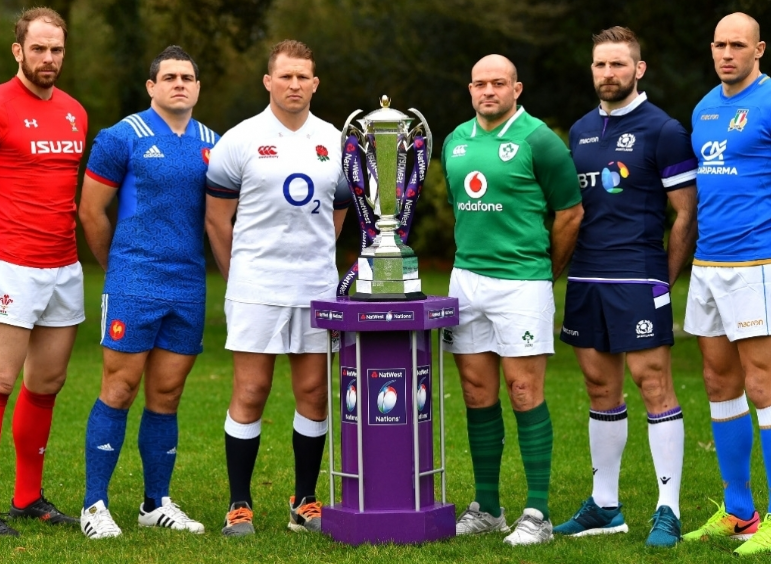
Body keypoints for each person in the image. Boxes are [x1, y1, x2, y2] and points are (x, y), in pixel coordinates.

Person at [551, 27, 698, 548]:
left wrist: (663, 279)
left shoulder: (664, 130)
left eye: (618, 64)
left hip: (638, 274)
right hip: (586, 276)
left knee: (652, 383)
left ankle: (668, 509)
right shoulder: (579, 130)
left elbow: (685, 215)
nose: (608, 73)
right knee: (599, 387)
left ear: (639, 69)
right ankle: (605, 506)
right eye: (600, 64)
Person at [205, 39, 349, 536]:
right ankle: (238, 504)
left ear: (315, 83)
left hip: (316, 288)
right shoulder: (240, 139)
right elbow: (217, 219)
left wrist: (313, 258)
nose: (294, 84)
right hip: (256, 286)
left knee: (313, 391)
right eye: (285, 76)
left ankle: (304, 501)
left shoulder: (335, 141)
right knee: (251, 390)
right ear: (268, 81)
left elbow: (339, 211)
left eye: (302, 76)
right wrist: (240, 278)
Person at [441, 54, 584, 546]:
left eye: (498, 83)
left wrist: (545, 272)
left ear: (516, 89)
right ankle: (487, 508)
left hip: (521, 282)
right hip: (466, 281)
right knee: (475, 392)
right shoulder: (455, 140)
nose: (489, 91)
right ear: (470, 89)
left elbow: (570, 212)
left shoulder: (539, 140)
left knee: (524, 391)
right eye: (480, 83)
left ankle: (538, 513)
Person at [77, 46, 218, 539]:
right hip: (134, 280)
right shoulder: (122, 137)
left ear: (198, 87)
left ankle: (155, 503)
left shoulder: (214, 144)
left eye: (187, 77)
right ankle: (94, 505)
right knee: (119, 389)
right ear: (151, 86)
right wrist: (117, 268)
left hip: (188, 284)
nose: (179, 83)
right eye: (169, 76)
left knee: (167, 393)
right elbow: (90, 211)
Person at [683, 12, 771, 556]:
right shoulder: (704, 107)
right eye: (719, 44)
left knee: (764, 386)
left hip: (757, 262)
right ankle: (740, 512)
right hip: (708, 263)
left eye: (737, 45)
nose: (726, 53)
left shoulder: (769, 100)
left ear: (759, 49)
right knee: (719, 382)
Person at [0, 7, 87, 536]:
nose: (48, 58)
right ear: (18, 51)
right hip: (11, 263)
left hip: (64, 264)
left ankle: (27, 498)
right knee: (0, 381)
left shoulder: (76, 112)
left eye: (56, 49)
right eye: (38, 48)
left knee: (47, 383)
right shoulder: (2, 104)